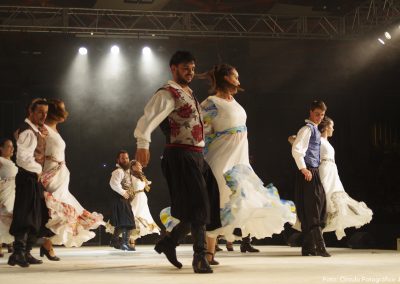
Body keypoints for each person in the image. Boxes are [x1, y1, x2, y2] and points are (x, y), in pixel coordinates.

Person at [199, 63, 296, 263]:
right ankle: (207, 251)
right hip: (220, 158)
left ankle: (211, 251)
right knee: (217, 201)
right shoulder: (211, 102)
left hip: (240, 161)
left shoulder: (233, 101)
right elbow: (200, 130)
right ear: (226, 78)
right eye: (236, 77)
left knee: (237, 200)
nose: (239, 81)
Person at [134, 51, 220, 274]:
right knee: (199, 205)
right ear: (173, 68)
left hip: (197, 155)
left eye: (192, 68)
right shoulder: (167, 93)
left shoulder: (189, 93)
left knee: (204, 203)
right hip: (180, 155)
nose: (190, 72)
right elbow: (147, 118)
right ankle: (200, 257)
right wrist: (143, 144)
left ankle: (170, 242)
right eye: (185, 68)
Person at [42, 99, 104, 253]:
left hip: (60, 173)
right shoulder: (42, 129)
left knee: (60, 208)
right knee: (52, 206)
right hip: (50, 172)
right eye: (61, 110)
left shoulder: (54, 129)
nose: (65, 113)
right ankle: (32, 244)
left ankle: (47, 243)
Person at [8, 98, 54, 267]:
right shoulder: (28, 132)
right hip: (28, 177)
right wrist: (39, 169)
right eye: (40, 112)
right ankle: (18, 253)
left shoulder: (35, 130)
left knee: (36, 215)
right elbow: (22, 159)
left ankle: (25, 252)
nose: (44, 115)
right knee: (25, 215)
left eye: (46, 113)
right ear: (31, 112)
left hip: (32, 178)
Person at [317, 116, 372, 239]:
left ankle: (318, 236)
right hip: (325, 170)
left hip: (332, 172)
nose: (333, 129)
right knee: (324, 198)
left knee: (335, 200)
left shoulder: (326, 142)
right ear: (326, 127)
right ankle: (316, 235)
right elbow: (297, 141)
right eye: (332, 126)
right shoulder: (318, 140)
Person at [291, 100, 330, 257]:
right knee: (313, 209)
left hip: (313, 171)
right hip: (308, 172)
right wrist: (303, 168)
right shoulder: (307, 129)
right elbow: (297, 149)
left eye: (322, 115)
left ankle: (308, 247)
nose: (319, 117)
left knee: (318, 208)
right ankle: (320, 246)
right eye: (317, 114)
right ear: (310, 112)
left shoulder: (314, 129)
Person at [128, 160, 160, 248]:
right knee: (133, 217)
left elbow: (146, 185)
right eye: (138, 165)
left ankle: (132, 240)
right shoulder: (130, 177)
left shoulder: (141, 176)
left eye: (140, 165)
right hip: (136, 198)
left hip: (143, 198)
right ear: (133, 167)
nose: (141, 167)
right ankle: (130, 241)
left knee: (143, 218)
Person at [108, 150, 136, 251]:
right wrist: (124, 193)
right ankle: (124, 243)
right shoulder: (118, 171)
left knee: (122, 222)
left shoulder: (126, 172)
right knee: (127, 222)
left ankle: (114, 241)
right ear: (118, 160)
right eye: (123, 158)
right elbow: (113, 184)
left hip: (123, 200)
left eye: (127, 158)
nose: (125, 160)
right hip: (120, 199)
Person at [0, 138, 17, 257]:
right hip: (3, 192)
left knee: (11, 217)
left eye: (12, 146)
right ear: (1, 148)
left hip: (13, 192)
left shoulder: (12, 163)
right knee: (2, 217)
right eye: (9, 146)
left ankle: (10, 242)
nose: (12, 148)